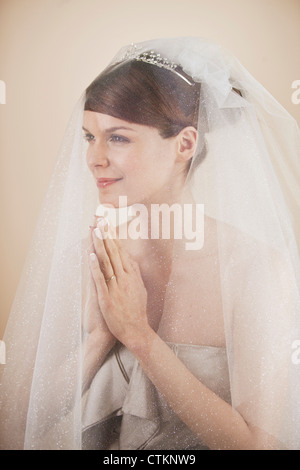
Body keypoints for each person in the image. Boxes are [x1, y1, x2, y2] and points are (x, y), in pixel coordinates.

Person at [0, 37, 300, 450]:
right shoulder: (92, 258)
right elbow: (16, 426)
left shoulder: (255, 269)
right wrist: (100, 338)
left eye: (118, 138)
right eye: (89, 137)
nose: (94, 158)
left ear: (185, 144)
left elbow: (257, 445)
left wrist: (139, 336)